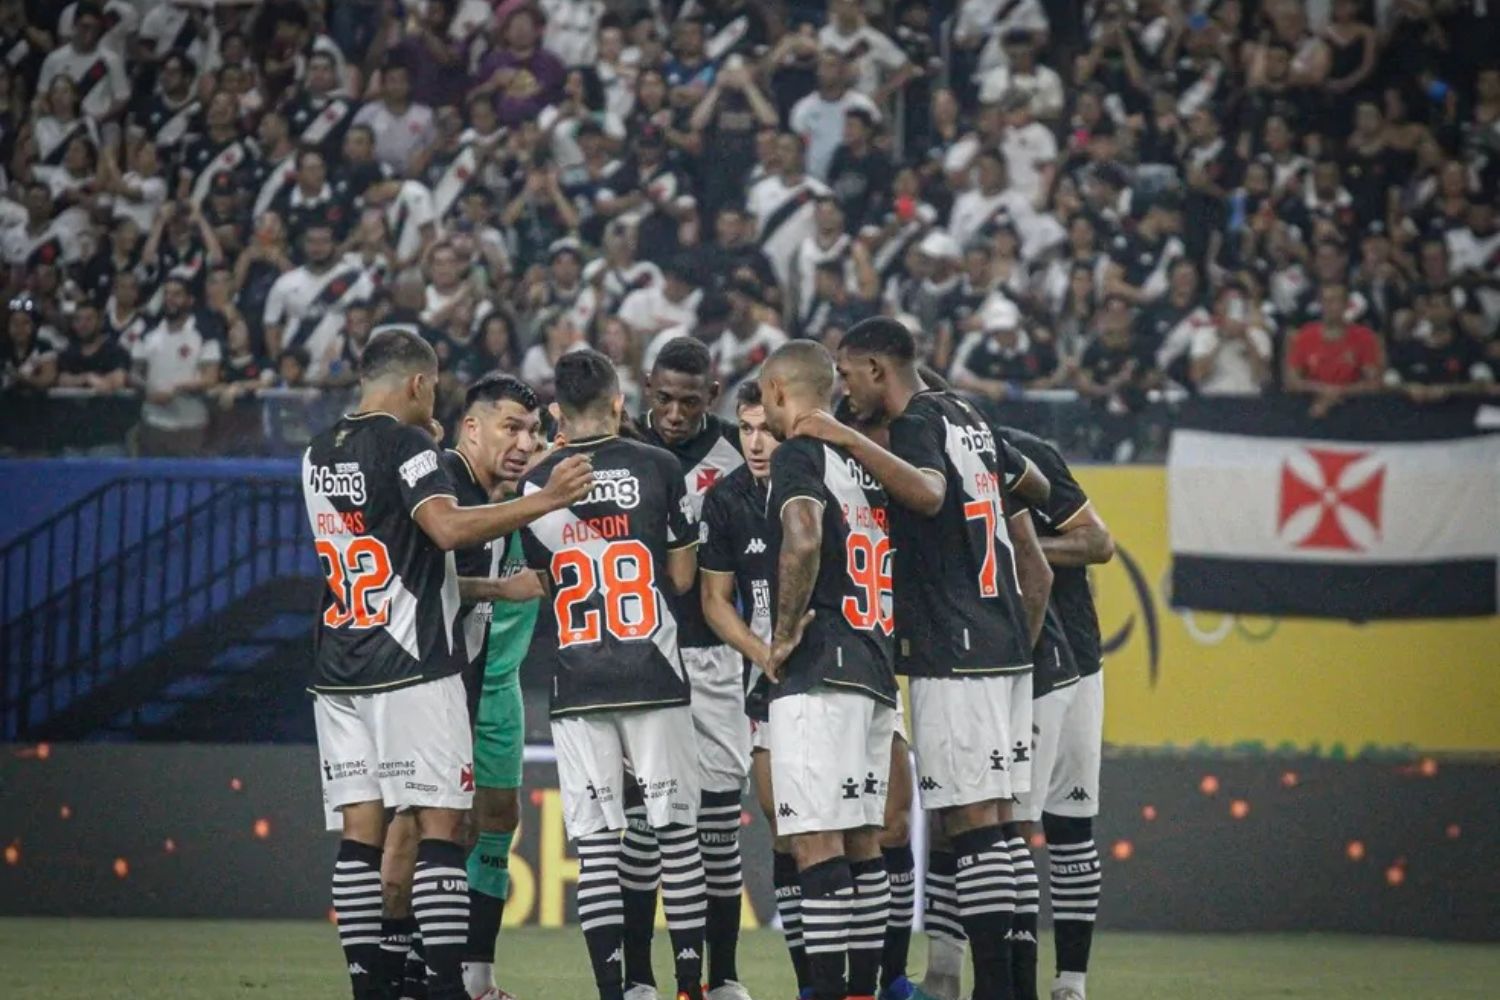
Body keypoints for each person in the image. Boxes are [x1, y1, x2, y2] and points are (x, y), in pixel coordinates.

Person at [303, 326, 593, 1000]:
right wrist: (546, 499)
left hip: (340, 660)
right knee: (439, 827)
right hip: (412, 663)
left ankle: (379, 987)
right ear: (417, 385)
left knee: (362, 834)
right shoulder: (412, 447)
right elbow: (442, 530)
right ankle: (443, 987)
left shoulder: (317, 451)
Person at [804, 317, 1053, 1000]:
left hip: (957, 641)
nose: (844, 388)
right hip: (1003, 635)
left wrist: (842, 435)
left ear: (878, 370)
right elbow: (1031, 490)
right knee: (1000, 822)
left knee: (972, 825)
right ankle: (1017, 989)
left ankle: (999, 992)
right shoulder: (969, 413)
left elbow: (929, 493)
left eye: (849, 374)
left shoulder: (915, 421)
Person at [516, 348, 708, 1000]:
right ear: (621, 400)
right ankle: (688, 987)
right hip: (652, 669)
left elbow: (544, 583)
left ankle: (616, 991)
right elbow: (682, 578)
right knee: (676, 832)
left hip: (576, 677)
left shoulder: (535, 486)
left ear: (557, 412)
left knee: (597, 844)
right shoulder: (659, 466)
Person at [755, 339, 898, 1000]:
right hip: (874, 664)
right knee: (863, 842)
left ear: (780, 394)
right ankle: (862, 992)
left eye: (764, 398)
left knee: (813, 843)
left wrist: (782, 636)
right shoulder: (864, 463)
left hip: (821, 668)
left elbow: (804, 536)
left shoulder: (801, 454)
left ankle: (823, 993)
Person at [633, 337, 753, 1000]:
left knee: (714, 826)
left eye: (689, 400)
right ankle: (639, 979)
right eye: (664, 398)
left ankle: (724, 976)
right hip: (639, 652)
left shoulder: (740, 448)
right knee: (643, 829)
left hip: (714, 654)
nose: (675, 413)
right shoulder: (620, 448)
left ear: (713, 394)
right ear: (647, 388)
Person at [438, 374, 548, 1000]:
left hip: (499, 682)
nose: (524, 443)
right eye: (512, 428)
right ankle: (431, 968)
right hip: (446, 684)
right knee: (441, 826)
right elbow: (431, 574)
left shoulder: (539, 498)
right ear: (472, 429)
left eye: (532, 431)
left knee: (498, 818)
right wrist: (501, 589)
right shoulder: (447, 495)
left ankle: (479, 977)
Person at [1000, 428, 1115, 1000]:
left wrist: (1017, 548)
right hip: (998, 667)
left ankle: (1071, 982)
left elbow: (1098, 543)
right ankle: (967, 974)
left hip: (1076, 653)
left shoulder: (1022, 456)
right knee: (990, 823)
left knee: (1068, 822)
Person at [130, 277, 221, 457]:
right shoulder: (148, 331)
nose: (170, 299)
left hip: (191, 424)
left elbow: (210, 377)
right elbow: (134, 373)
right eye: (167, 294)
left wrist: (175, 390)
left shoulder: (205, 331)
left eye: (177, 294)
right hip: (153, 421)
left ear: (190, 300)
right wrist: (148, 390)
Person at [1284, 281, 1385, 417]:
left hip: (1355, 411)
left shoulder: (1364, 337)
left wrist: (1339, 392)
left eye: (1335, 301)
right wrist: (1322, 390)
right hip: (1312, 408)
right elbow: (1292, 381)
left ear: (1346, 305)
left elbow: (1374, 383)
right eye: (1325, 301)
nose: (1329, 306)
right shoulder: (1305, 335)